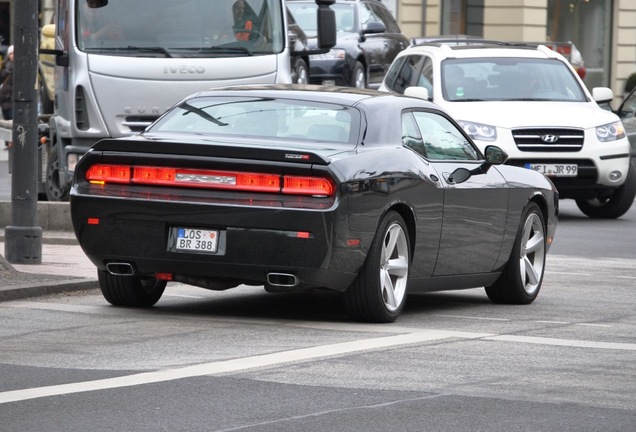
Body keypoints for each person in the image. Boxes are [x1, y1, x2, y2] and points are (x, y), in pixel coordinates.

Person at [0, 45, 13, 150]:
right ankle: (8, 142)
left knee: (13, 119)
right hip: (4, 97)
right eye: (11, 53)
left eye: (14, 53)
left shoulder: (20, 66)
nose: (12, 55)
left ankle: (11, 143)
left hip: (12, 98)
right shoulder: (4, 66)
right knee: (7, 120)